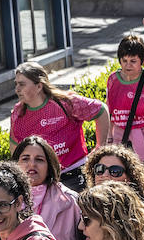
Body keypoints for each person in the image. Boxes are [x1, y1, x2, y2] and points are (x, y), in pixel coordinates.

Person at [11, 61, 109, 189]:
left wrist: (100, 148)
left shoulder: (66, 103)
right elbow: (15, 148)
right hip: (41, 183)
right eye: (16, 84)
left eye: (22, 84)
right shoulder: (18, 113)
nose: (17, 89)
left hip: (74, 175)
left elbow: (101, 110)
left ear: (39, 86)